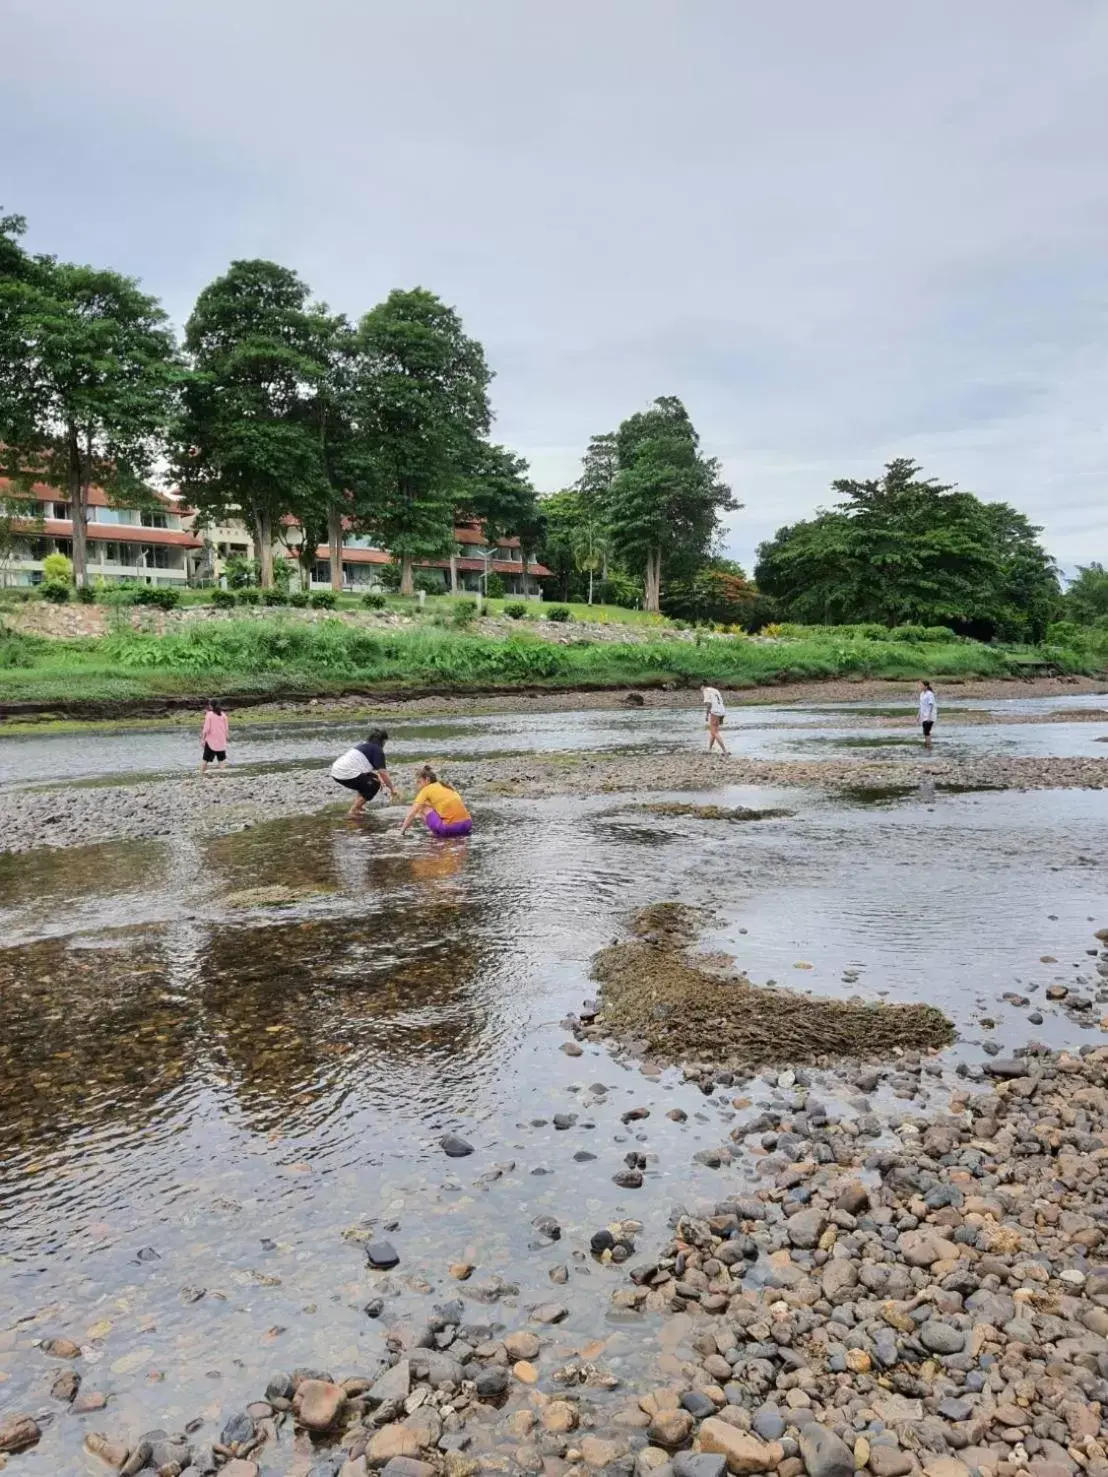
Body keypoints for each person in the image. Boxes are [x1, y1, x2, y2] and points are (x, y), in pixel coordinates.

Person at [330, 728, 399, 818]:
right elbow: (382, 772)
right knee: (374, 784)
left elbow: (374, 771)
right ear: (383, 741)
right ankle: (353, 811)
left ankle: (359, 806)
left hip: (336, 770)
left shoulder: (364, 745)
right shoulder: (377, 750)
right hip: (345, 773)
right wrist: (392, 788)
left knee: (371, 779)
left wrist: (381, 780)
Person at [400, 765, 473, 837]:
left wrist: (402, 831)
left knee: (422, 808)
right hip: (467, 825)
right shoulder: (445, 786)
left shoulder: (426, 789)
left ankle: (436, 834)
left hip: (450, 829)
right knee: (432, 806)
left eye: (419, 782)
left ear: (427, 780)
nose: (417, 785)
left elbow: (413, 811)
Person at [200, 700, 229, 773]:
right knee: (221, 759)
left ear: (211, 706)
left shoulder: (209, 714)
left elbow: (206, 729)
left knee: (205, 759)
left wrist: (203, 739)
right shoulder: (223, 715)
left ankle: (201, 773)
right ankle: (223, 774)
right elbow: (226, 728)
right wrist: (225, 737)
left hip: (211, 740)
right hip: (221, 740)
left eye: (209, 705)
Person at [701, 684, 729, 756]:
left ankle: (725, 751)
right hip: (722, 711)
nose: (700, 690)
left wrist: (707, 715)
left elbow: (709, 704)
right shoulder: (715, 690)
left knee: (715, 732)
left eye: (700, 688)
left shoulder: (706, 690)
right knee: (713, 731)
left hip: (715, 712)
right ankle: (709, 749)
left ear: (702, 686)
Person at [918, 680, 937, 750]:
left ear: (926, 686)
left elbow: (931, 705)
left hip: (930, 715)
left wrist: (929, 716)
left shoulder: (930, 694)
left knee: (927, 731)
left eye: (921, 685)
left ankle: (928, 745)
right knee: (924, 731)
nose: (920, 686)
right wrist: (918, 715)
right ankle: (927, 743)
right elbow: (921, 705)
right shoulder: (922, 694)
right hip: (923, 715)